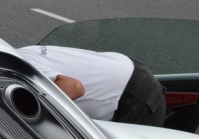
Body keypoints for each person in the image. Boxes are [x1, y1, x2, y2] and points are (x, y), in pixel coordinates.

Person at [16, 44, 166, 126]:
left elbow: (73, 88)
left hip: (134, 95)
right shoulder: (18, 53)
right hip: (127, 74)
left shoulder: (16, 62)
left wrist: (25, 120)